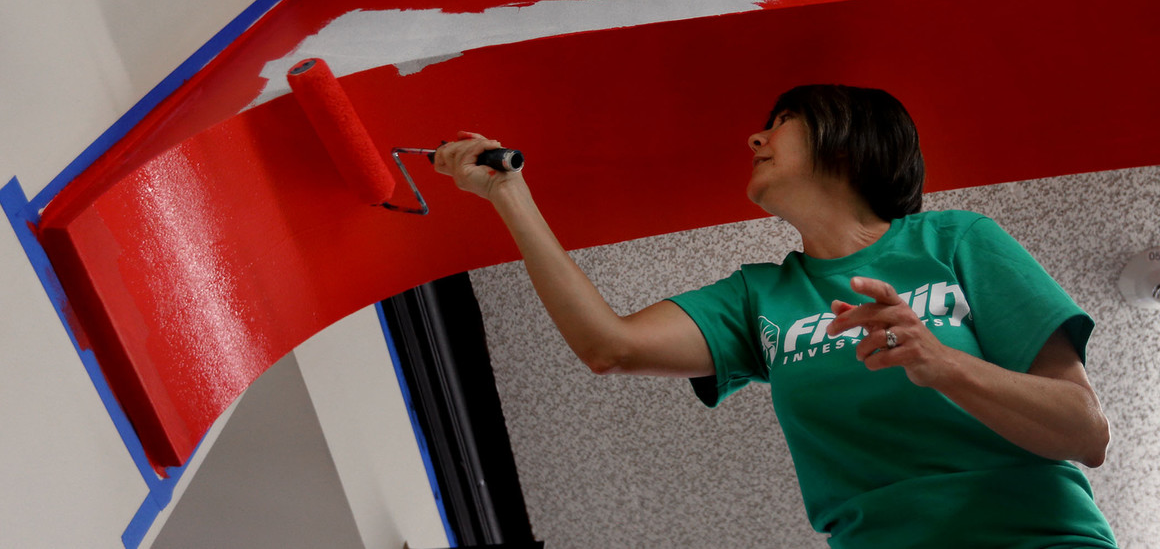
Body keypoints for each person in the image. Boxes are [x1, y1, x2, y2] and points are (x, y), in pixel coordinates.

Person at [433, 84, 1117, 548]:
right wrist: (509, 197)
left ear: (848, 143)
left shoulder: (956, 242)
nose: (754, 137)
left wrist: (944, 364)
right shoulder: (762, 297)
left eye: (781, 122)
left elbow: (1085, 432)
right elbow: (608, 346)